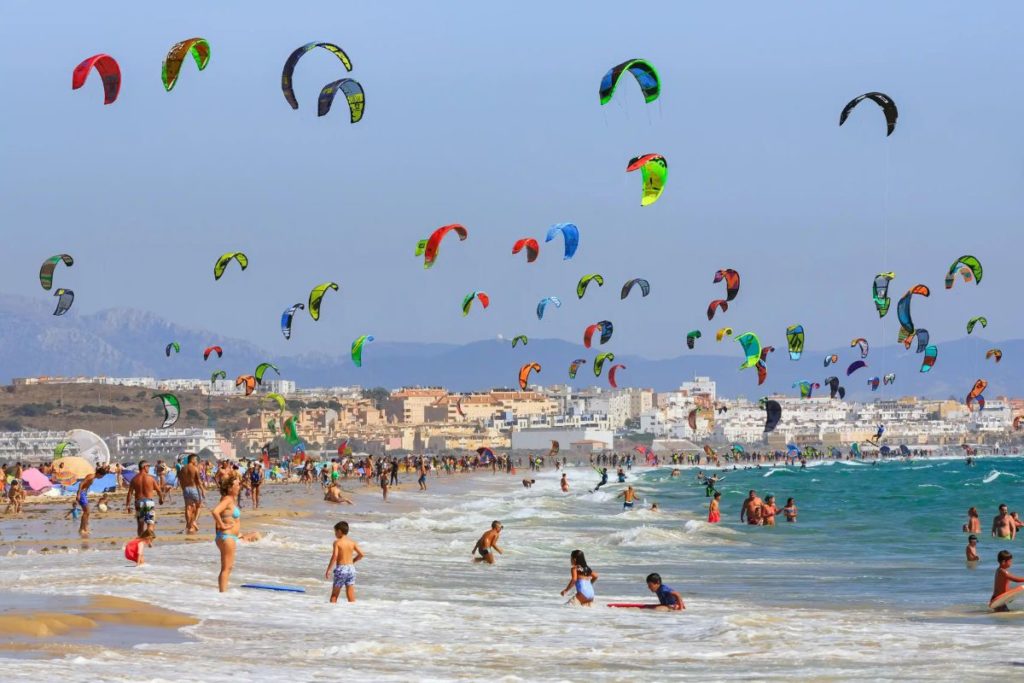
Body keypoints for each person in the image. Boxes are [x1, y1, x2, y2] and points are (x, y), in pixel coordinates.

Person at [211, 475, 242, 592]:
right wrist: (223, 526)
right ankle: (223, 594)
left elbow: (225, 517)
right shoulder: (227, 499)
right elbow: (215, 512)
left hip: (226, 536)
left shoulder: (228, 500)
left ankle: (223, 592)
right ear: (230, 488)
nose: (239, 487)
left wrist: (220, 530)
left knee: (227, 568)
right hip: (227, 536)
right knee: (226, 568)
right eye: (237, 485)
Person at [325, 520, 365, 603]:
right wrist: (353, 561)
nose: (335, 534)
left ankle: (330, 614)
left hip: (341, 569)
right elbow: (361, 554)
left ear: (339, 531)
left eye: (335, 532)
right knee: (351, 597)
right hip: (351, 569)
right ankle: (352, 613)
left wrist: (329, 569)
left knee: (334, 595)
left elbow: (335, 556)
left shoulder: (337, 542)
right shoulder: (352, 542)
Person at [125, 460, 163, 537]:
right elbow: (159, 490)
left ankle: (141, 541)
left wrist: (128, 505)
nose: (149, 468)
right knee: (150, 523)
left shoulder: (134, 479)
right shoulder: (151, 478)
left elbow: (130, 493)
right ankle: (149, 541)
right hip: (149, 502)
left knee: (140, 525)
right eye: (148, 466)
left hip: (139, 503)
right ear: (144, 467)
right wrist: (161, 499)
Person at [77, 465, 110, 537]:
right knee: (87, 511)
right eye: (102, 476)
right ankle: (81, 529)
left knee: (87, 512)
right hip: (82, 493)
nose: (101, 478)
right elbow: (81, 483)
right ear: (99, 474)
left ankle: (85, 528)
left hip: (83, 494)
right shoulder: (91, 477)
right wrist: (79, 494)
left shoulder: (93, 477)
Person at [179, 454, 205, 534]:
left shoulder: (183, 468)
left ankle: (189, 526)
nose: (196, 461)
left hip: (186, 489)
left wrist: (184, 489)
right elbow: (198, 481)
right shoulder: (194, 468)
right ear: (192, 460)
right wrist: (203, 490)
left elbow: (181, 480)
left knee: (188, 508)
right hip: (193, 488)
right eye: (196, 460)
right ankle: (194, 522)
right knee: (199, 506)